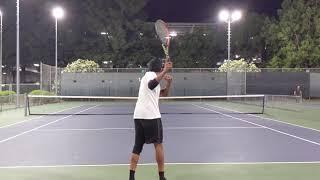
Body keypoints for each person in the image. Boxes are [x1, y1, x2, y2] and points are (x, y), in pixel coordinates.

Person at [129, 57, 173, 180]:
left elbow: (163, 94)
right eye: (162, 66)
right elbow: (151, 84)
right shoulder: (150, 75)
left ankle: (131, 177)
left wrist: (169, 83)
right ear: (159, 67)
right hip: (151, 116)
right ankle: (162, 176)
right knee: (158, 145)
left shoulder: (153, 77)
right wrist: (165, 71)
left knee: (138, 145)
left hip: (139, 116)